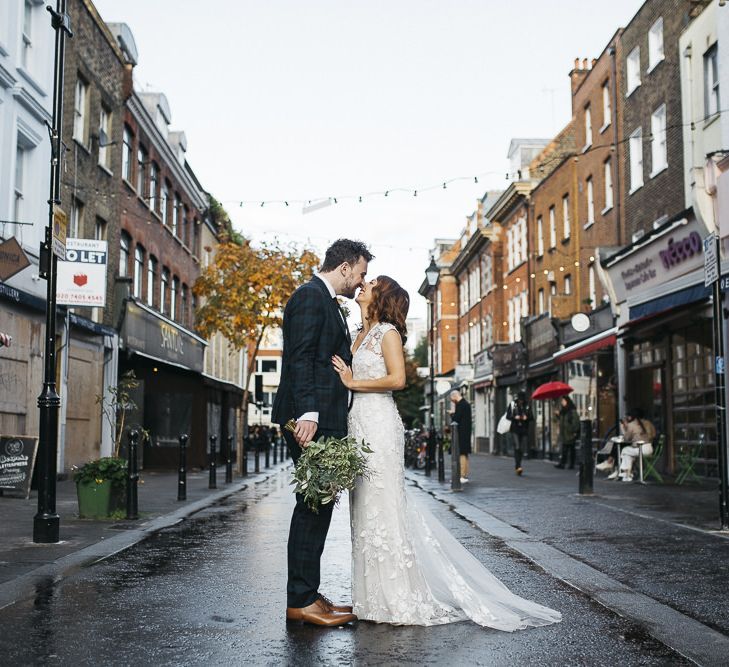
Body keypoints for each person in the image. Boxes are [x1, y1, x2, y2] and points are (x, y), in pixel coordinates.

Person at [332, 275, 561, 629]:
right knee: (363, 506)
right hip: (358, 423)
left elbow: (397, 381)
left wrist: (352, 382)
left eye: (372, 283)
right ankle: (371, 597)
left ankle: (396, 597)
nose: (364, 285)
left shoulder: (388, 333)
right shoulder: (361, 334)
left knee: (383, 504)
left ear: (382, 296)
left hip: (378, 423)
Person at [272, 238, 373, 627]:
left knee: (320, 504)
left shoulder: (326, 300)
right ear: (345, 266)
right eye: (360, 273)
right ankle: (299, 601)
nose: (360, 281)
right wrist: (308, 412)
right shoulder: (311, 296)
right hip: (310, 419)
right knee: (312, 506)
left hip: (322, 416)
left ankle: (309, 594)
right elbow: (301, 357)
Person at [609, 407, 656, 482]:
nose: (627, 418)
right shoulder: (648, 423)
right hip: (650, 448)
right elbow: (653, 435)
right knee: (628, 455)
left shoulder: (632, 424)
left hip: (641, 450)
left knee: (624, 450)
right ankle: (626, 474)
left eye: (628, 416)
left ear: (631, 416)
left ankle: (623, 473)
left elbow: (626, 438)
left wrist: (623, 428)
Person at [506, 391, 533, 476]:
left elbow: (532, 417)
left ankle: (518, 465)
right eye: (520, 400)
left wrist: (527, 417)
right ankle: (518, 466)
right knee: (517, 447)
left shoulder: (527, 405)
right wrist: (514, 417)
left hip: (524, 429)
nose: (521, 401)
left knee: (521, 448)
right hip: (515, 429)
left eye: (522, 400)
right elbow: (508, 416)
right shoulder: (513, 404)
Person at [449, 389, 472, 483]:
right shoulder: (466, 404)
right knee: (465, 454)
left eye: (452, 399)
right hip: (466, 432)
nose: (452, 401)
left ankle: (462, 475)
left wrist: (452, 414)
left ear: (455, 396)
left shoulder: (460, 405)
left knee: (461, 453)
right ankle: (465, 475)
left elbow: (456, 419)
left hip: (461, 433)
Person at [554, 396, 579, 470]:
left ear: (567, 401)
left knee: (571, 449)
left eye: (563, 401)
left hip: (570, 433)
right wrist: (557, 415)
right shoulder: (563, 411)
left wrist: (573, 431)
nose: (562, 402)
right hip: (564, 434)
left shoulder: (572, 411)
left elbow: (576, 423)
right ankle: (563, 463)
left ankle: (570, 464)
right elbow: (559, 421)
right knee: (564, 449)